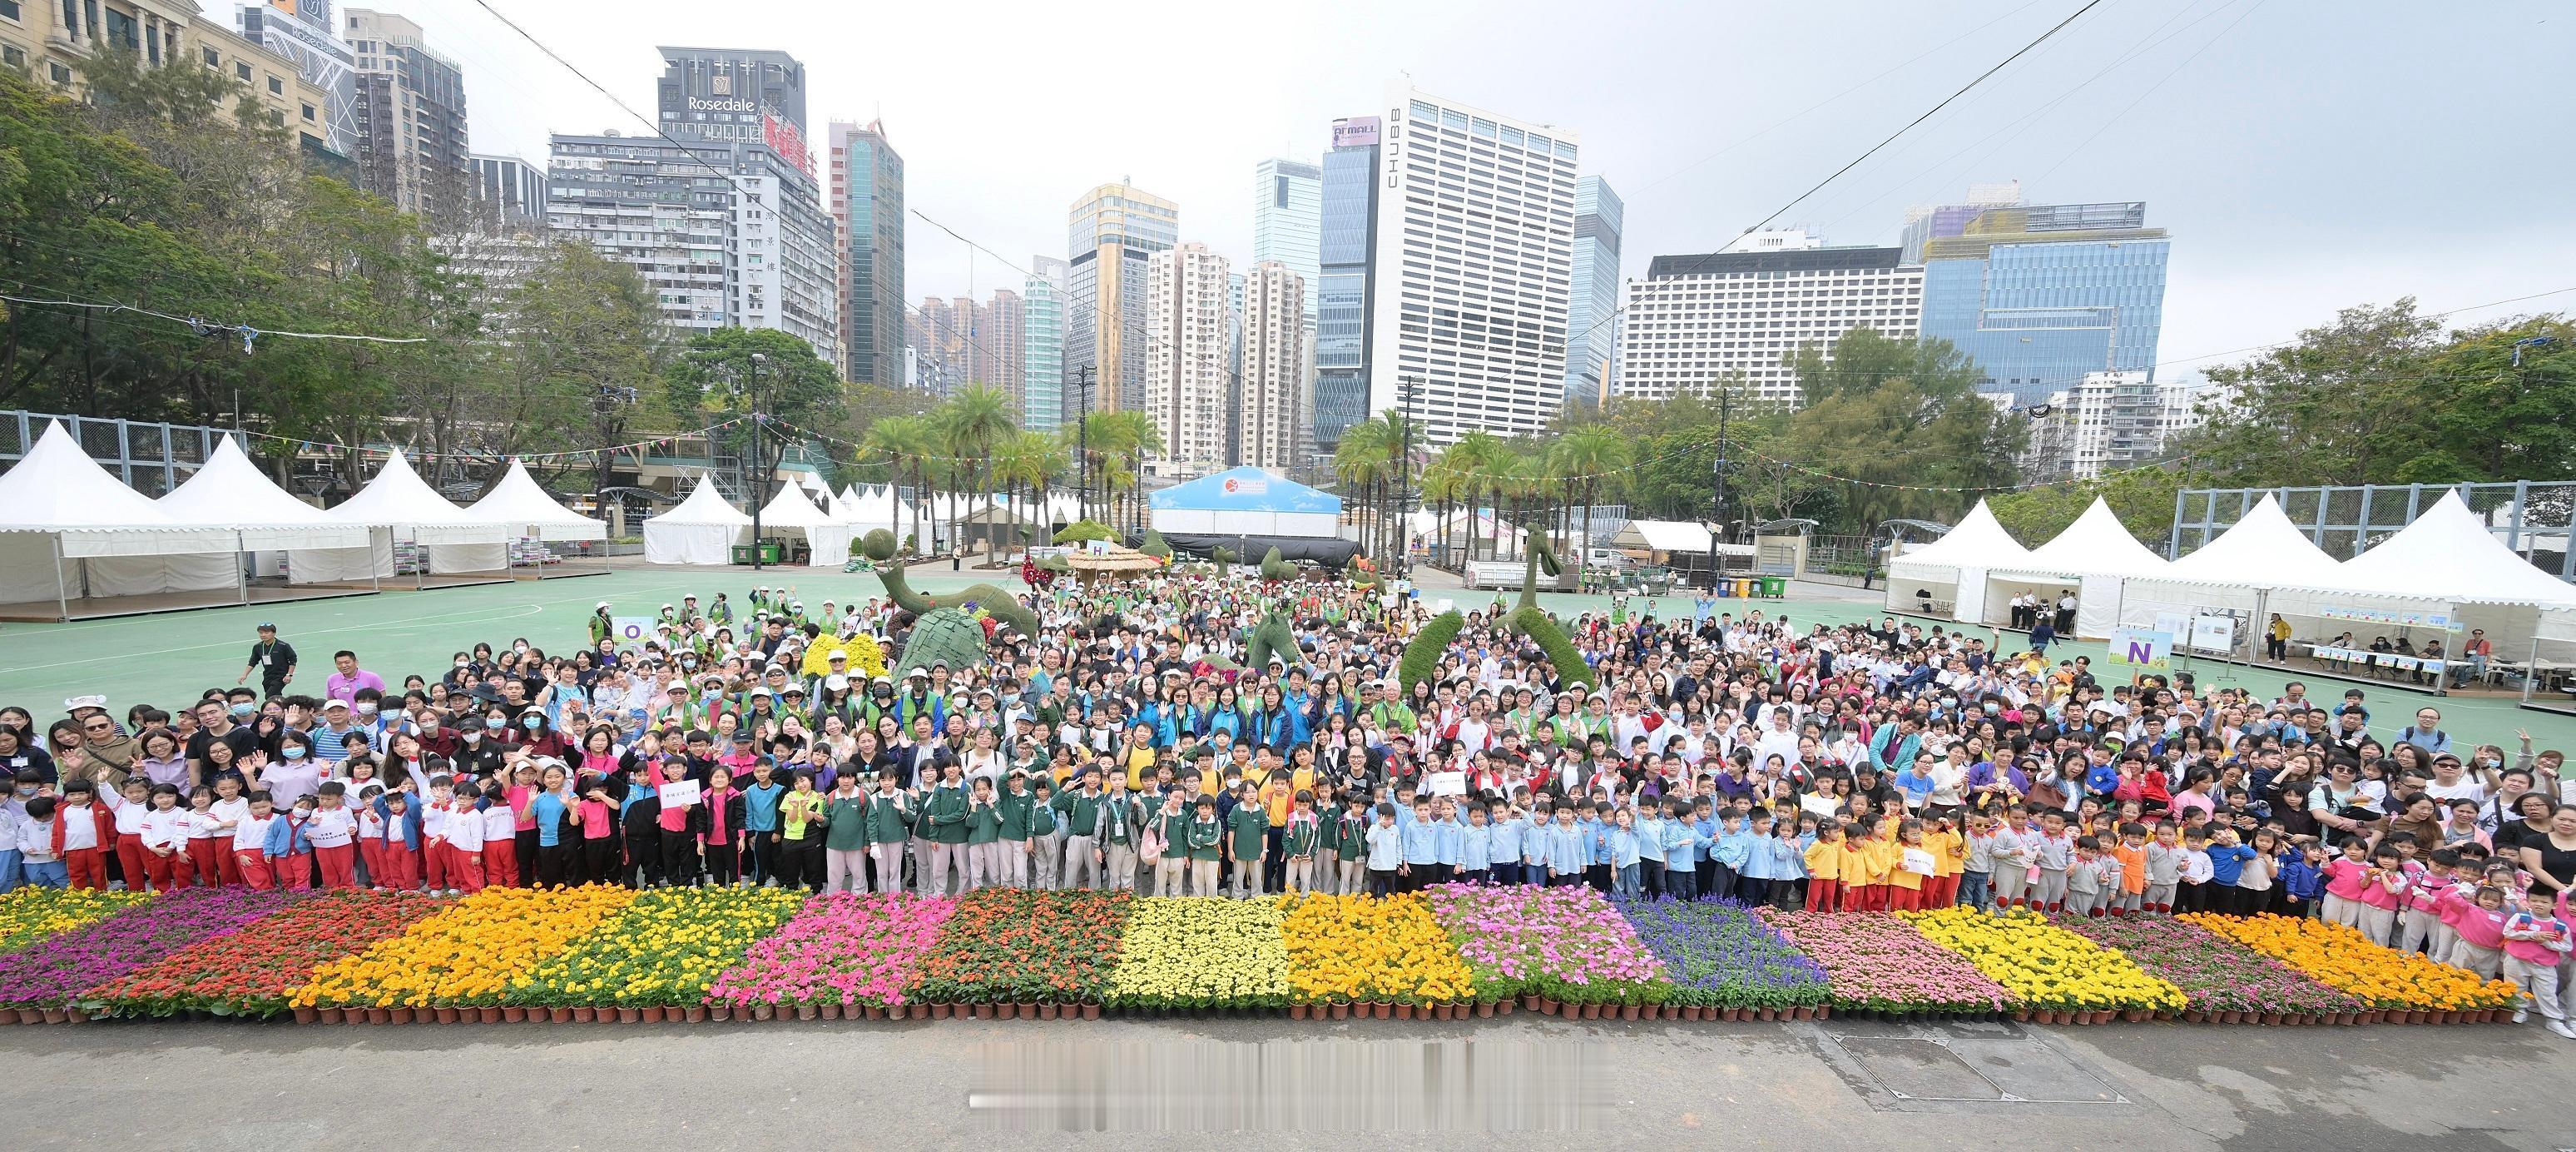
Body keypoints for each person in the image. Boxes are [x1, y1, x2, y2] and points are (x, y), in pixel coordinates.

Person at [238, 623, 299, 699]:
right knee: (276, 697)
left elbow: (293, 660)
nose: (263, 635)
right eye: (261, 633)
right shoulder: (258, 647)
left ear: (274, 633)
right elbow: (252, 662)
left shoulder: (283, 646)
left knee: (269, 696)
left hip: (281, 676)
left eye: (266, 633)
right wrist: (244, 675)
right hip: (268, 675)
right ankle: (282, 709)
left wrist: (289, 675)